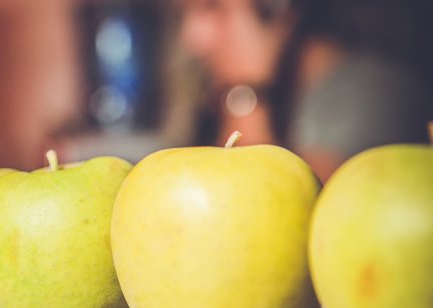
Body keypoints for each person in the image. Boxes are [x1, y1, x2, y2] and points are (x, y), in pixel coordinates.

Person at [176, 0, 433, 182]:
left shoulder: (378, 93)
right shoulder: (245, 95)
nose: (193, 37)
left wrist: (247, 91)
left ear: (275, 9)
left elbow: (264, 213)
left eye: (211, 6)